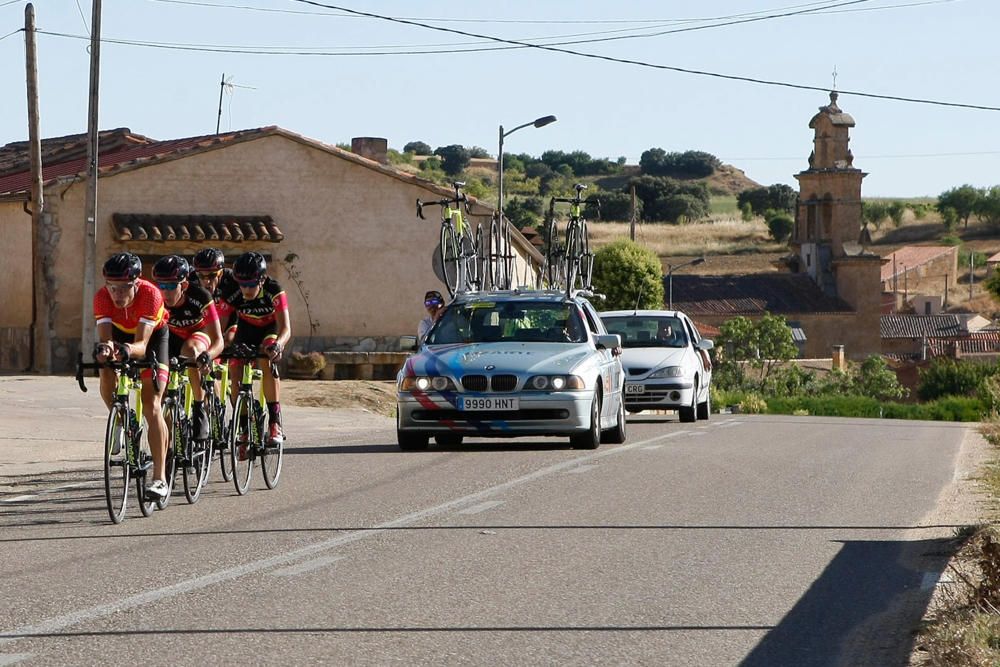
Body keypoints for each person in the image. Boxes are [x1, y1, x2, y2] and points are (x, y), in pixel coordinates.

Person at [93, 252, 171, 499]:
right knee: (104, 364)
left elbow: (142, 345)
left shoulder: (151, 295)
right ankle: (119, 418)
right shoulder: (102, 298)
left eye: (124, 288)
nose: (117, 294)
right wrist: (106, 348)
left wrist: (125, 350)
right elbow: (105, 337)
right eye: (112, 287)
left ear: (136, 284)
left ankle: (160, 478)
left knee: (152, 407)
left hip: (153, 339)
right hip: (120, 335)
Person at [152, 255, 225, 441]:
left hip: (199, 334)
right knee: (161, 390)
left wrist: (207, 356)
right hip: (172, 337)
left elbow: (218, 340)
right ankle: (170, 442)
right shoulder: (155, 299)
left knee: (190, 350)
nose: (164, 292)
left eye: (170, 286)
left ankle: (200, 407)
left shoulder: (201, 296)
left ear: (183, 286)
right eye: (161, 286)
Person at [223, 251, 291, 445]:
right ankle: (243, 426)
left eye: (250, 284)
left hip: (270, 329)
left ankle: (274, 421)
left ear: (261, 280)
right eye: (241, 283)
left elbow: (286, 327)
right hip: (246, 329)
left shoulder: (274, 289)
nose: (245, 289)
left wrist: (278, 345)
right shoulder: (232, 291)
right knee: (235, 369)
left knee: (265, 357)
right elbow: (219, 326)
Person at [191, 248, 238, 346]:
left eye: (212, 276)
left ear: (220, 273)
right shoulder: (191, 279)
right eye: (201, 275)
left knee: (230, 339)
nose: (206, 281)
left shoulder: (232, 280)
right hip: (206, 318)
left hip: (230, 317)